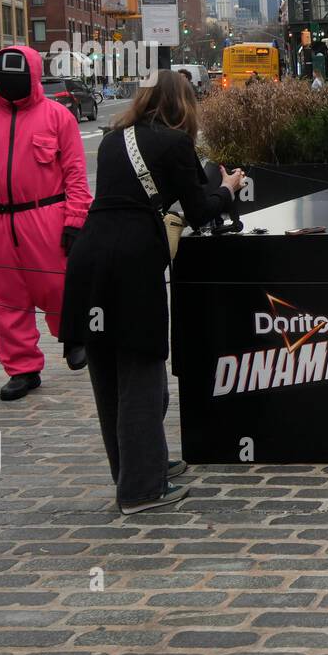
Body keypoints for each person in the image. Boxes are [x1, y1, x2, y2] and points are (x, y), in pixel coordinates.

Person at [61, 70, 244, 515]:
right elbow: (200, 213)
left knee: (108, 373)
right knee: (142, 372)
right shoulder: (175, 143)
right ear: (182, 103)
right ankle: (142, 489)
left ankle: (136, 469)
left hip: (90, 256)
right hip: (132, 260)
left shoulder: (111, 139)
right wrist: (227, 188)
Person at [0, 46, 92, 401]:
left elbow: (76, 174)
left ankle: (73, 336)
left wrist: (75, 219)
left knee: (58, 286)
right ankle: (23, 368)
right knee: (5, 300)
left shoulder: (58, 117)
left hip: (47, 215)